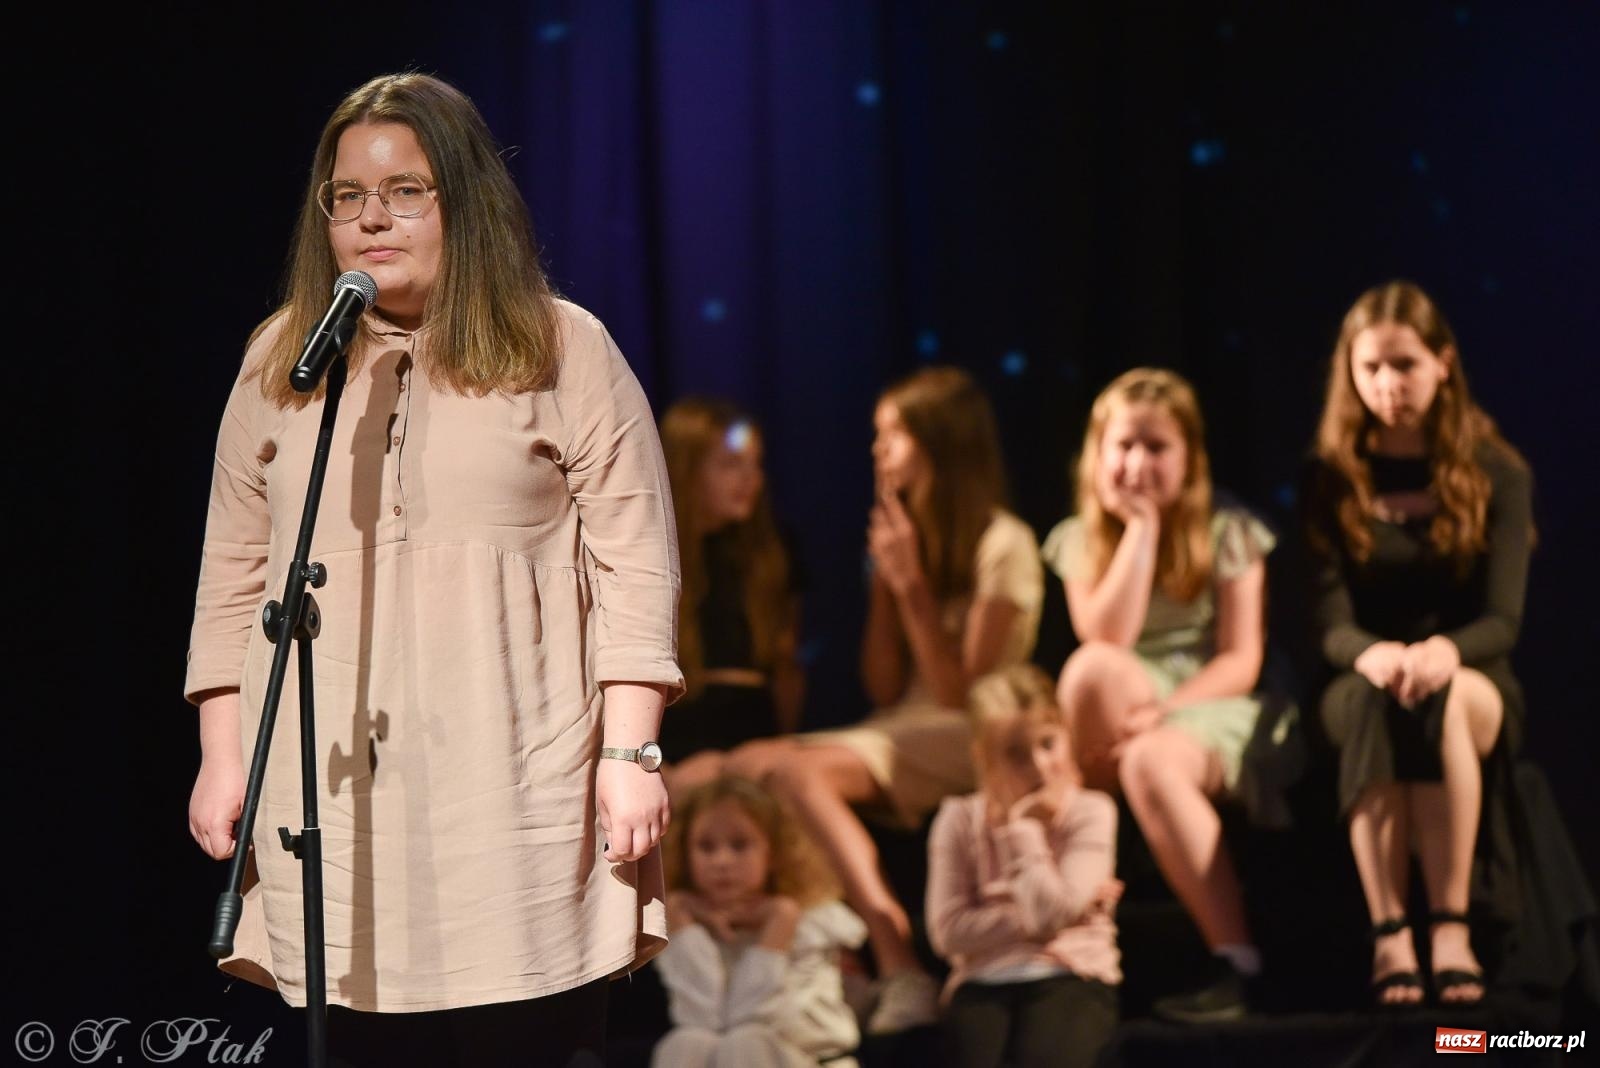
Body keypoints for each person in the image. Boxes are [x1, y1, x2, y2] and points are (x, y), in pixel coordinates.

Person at [183, 73, 681, 1067]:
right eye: (348, 195)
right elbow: (233, 574)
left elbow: (637, 567)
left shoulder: (562, 347)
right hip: (332, 799)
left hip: (519, 798)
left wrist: (630, 758)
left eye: (406, 191)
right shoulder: (279, 363)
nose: (372, 218)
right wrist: (222, 751)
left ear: (464, 201)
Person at [721, 366, 1045, 1034]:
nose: (878, 450)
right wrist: (890, 583)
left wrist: (914, 588)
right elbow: (883, 685)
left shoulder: (1005, 542)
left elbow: (965, 695)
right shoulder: (908, 539)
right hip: (905, 723)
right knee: (740, 767)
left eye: (893, 435)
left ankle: (897, 961)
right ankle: (844, 973)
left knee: (789, 772)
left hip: (976, 731)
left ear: (940, 443)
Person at [1305, 280, 1534, 1007]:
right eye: (1368, 368)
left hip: (1470, 671)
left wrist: (1446, 651)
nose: (1386, 386)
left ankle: (1451, 925)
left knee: (1446, 700)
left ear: (1442, 363)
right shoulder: (1329, 477)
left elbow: (1504, 619)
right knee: (1374, 704)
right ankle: (1390, 932)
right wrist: (1371, 654)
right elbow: (1329, 621)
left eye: (1403, 365)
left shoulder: (1498, 470)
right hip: (1363, 674)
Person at [1045, 367, 1279, 1022]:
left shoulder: (1230, 531)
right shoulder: (1079, 538)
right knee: (1090, 670)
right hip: (1125, 696)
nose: (1136, 463)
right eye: (1122, 446)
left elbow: (1241, 658)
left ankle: (1237, 963)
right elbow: (1107, 637)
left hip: (1209, 702)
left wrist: (1166, 713)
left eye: (1156, 447)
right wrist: (1140, 533)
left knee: (1149, 757)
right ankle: (1085, 907)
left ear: (1189, 457)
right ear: (1096, 454)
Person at [925, 665, 1121, 1068]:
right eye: (1016, 754)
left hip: (1070, 971)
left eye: (1048, 744)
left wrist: (1022, 831)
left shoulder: (1090, 811)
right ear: (983, 757)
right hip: (982, 979)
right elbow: (947, 932)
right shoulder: (958, 819)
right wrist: (1069, 907)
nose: (1038, 766)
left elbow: (1051, 913)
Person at [654, 776, 867, 1067]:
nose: (722, 861)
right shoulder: (689, 922)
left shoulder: (812, 921)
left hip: (813, 1060)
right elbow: (701, 1019)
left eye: (740, 845)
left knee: (748, 1041)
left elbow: (753, 1017)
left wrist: (780, 924)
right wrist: (680, 919)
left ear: (773, 853)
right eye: (706, 847)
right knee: (686, 1041)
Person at [658, 398, 804, 790]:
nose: (749, 479)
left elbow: (787, 669)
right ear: (685, 470)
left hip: (750, 738)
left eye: (755, 464)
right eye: (729, 465)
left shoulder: (772, 553)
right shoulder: (652, 553)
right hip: (672, 738)